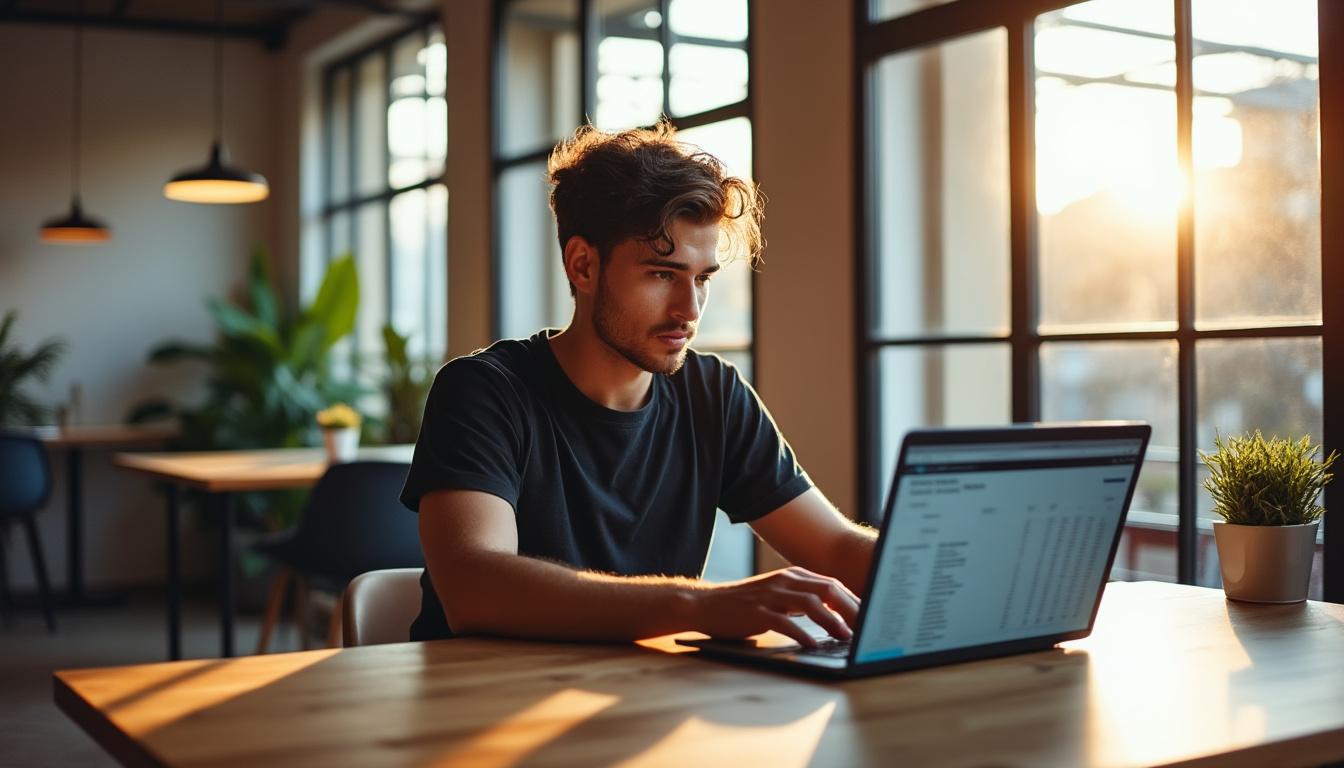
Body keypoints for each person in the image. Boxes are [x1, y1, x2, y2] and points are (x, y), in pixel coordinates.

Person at [400, 120, 877, 647]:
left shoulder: (712, 393)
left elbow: (834, 548)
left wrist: (946, 560)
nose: (688, 311)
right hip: (479, 707)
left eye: (702, 279)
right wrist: (701, 604)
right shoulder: (484, 393)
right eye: (661, 274)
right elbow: (474, 587)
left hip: (645, 700)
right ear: (583, 265)